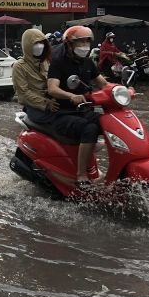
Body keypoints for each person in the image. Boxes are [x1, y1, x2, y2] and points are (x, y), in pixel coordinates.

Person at [45, 25, 108, 186]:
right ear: (69, 44)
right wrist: (71, 96)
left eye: (87, 42)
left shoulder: (88, 62)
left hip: (84, 111)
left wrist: (122, 91)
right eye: (80, 42)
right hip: (64, 113)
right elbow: (52, 88)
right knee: (90, 129)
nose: (85, 46)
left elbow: (104, 84)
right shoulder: (59, 62)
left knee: (110, 123)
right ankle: (81, 175)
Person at [12, 28, 60, 116]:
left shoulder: (46, 62)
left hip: (53, 102)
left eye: (41, 43)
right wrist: (46, 103)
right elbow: (23, 94)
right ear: (27, 45)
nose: (39, 46)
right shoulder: (19, 66)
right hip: (34, 107)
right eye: (36, 43)